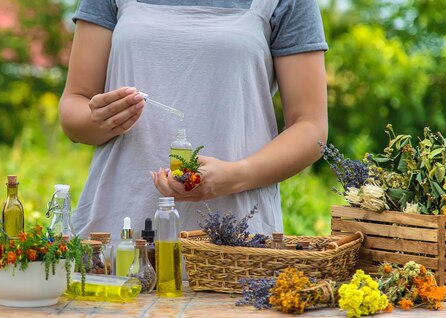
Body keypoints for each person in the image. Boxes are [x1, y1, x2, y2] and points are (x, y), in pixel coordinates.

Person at [59, 0, 328, 245]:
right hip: (117, 234)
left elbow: (310, 128)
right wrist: (99, 119)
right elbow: (74, 107)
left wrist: (236, 175)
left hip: (234, 245)